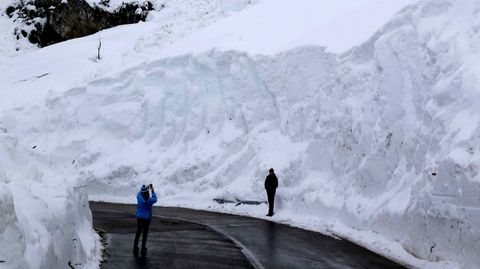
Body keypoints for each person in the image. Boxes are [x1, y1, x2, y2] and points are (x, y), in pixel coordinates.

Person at [133, 184, 157, 257]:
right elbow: (155, 199)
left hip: (139, 217)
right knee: (145, 233)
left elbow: (138, 193)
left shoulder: (139, 197)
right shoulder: (150, 200)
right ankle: (143, 248)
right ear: (147, 192)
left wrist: (143, 189)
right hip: (147, 218)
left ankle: (135, 246)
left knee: (138, 231)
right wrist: (152, 190)